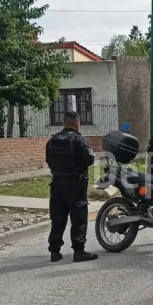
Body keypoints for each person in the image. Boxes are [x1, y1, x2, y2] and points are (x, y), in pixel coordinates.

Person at [45, 110, 98, 262]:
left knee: (57, 219)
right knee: (79, 218)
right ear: (77, 123)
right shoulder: (79, 140)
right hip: (75, 185)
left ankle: (55, 251)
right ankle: (79, 251)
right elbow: (89, 160)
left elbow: (49, 160)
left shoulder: (52, 140)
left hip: (57, 184)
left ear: (64, 122)